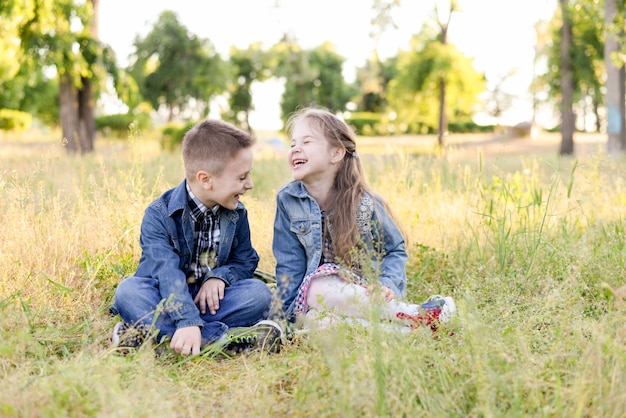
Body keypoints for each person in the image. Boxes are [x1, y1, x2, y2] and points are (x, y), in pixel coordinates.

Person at [272, 106, 456, 333]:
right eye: (292, 144)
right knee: (319, 324)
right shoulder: (287, 199)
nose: (296, 149)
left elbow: (395, 249)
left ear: (336, 153)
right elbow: (289, 264)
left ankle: (416, 313)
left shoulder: (364, 203)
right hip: (318, 299)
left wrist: (386, 284)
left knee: (316, 287)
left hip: (363, 289)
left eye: (306, 142)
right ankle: (412, 333)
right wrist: (287, 315)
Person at [111, 119, 282, 356]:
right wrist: (186, 319)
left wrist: (220, 278)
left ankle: (154, 337)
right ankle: (223, 339)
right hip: (166, 297)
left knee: (259, 294)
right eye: (242, 178)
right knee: (129, 293)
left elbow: (245, 260)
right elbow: (166, 272)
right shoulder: (159, 214)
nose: (249, 185)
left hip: (211, 303)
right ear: (206, 179)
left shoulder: (236, 213)